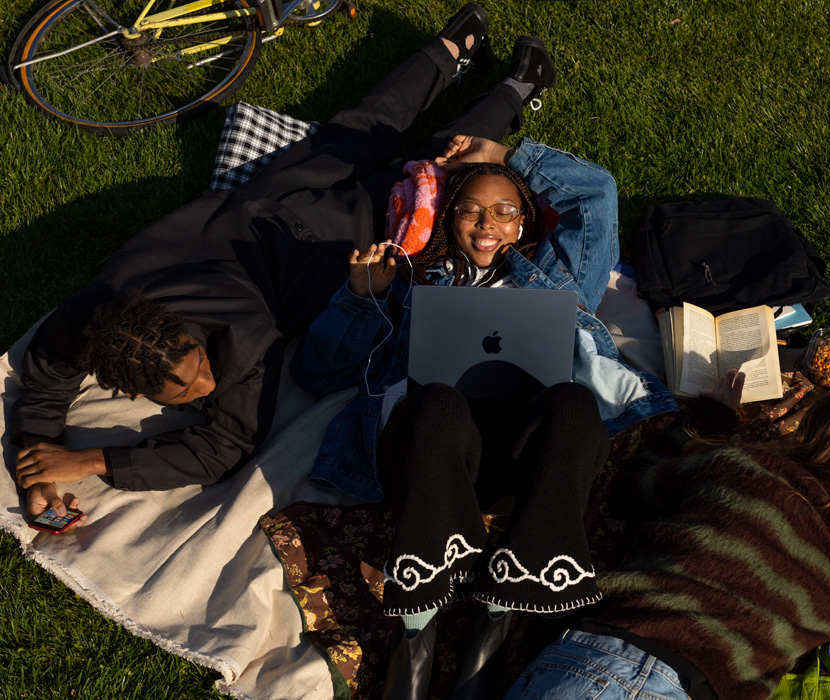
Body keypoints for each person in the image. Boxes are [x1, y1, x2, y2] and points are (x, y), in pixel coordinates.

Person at [9, 4, 558, 529]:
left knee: (434, 172)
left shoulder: (243, 345)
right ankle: (456, 44)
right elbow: (49, 367)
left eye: (196, 370)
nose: (206, 385)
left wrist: (95, 461)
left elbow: (221, 452)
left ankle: (519, 86)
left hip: (327, 238)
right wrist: (39, 459)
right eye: (186, 392)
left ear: (185, 334)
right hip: (262, 201)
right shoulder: (104, 303)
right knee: (362, 128)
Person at [290, 129, 677, 698]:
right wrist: (359, 296)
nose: (486, 224)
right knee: (440, 400)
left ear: (524, 224)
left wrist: (503, 154)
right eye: (470, 211)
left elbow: (595, 195)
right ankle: (416, 632)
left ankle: (497, 615)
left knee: (573, 401)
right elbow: (319, 372)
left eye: (504, 212)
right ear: (449, 221)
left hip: (522, 458)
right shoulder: (415, 285)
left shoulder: (560, 280)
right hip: (435, 451)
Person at [502, 369, 830, 700]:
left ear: (808, 440)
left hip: (604, 656)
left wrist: (711, 417)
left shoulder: (741, 469)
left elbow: (637, 484)